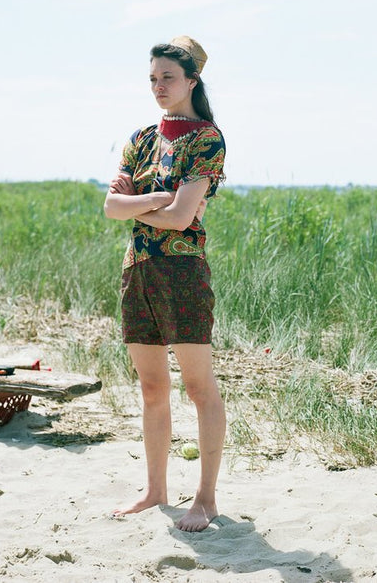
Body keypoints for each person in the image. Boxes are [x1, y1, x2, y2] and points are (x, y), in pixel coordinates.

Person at [103, 36, 226, 532]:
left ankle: (207, 498)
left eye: (168, 78)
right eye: (153, 78)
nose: (158, 87)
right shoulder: (140, 138)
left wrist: (154, 207)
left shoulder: (206, 139)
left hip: (182, 275)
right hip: (139, 271)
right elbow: (112, 207)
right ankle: (156, 491)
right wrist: (161, 198)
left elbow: (180, 222)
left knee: (199, 389)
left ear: (192, 80)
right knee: (153, 388)